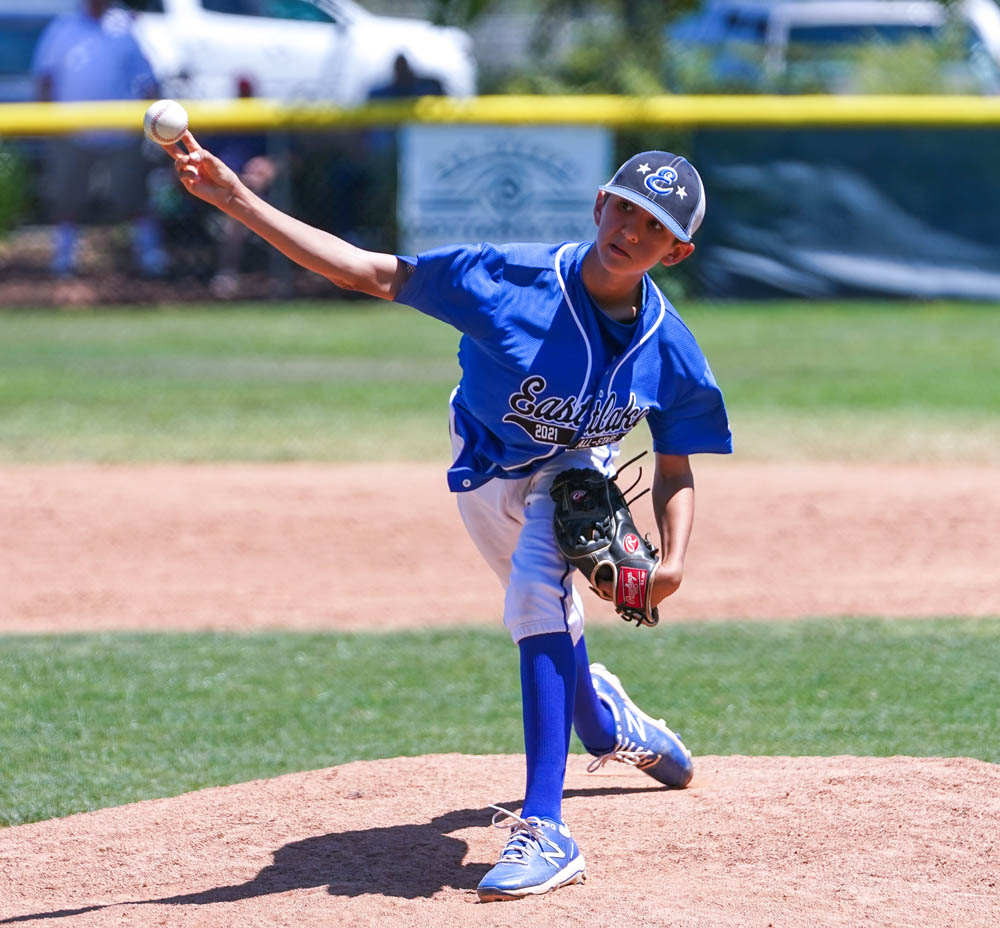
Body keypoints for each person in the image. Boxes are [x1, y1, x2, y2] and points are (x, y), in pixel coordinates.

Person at [166, 135, 732, 902]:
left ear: (676, 251)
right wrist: (235, 198)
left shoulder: (671, 347)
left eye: (655, 225)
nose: (632, 228)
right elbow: (366, 271)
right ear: (601, 204)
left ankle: (546, 827)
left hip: (573, 477)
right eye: (626, 207)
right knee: (551, 628)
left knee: (538, 594)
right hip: (485, 475)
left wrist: (672, 561)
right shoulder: (507, 281)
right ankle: (603, 723)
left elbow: (675, 463)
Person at [32, 0, 166, 277]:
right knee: (67, 199)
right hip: (72, 130)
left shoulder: (125, 28)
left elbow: (148, 80)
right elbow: (45, 78)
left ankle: (151, 257)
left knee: (133, 197)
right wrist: (48, 124)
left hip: (121, 131)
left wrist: (153, 128)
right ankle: (64, 260)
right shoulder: (63, 28)